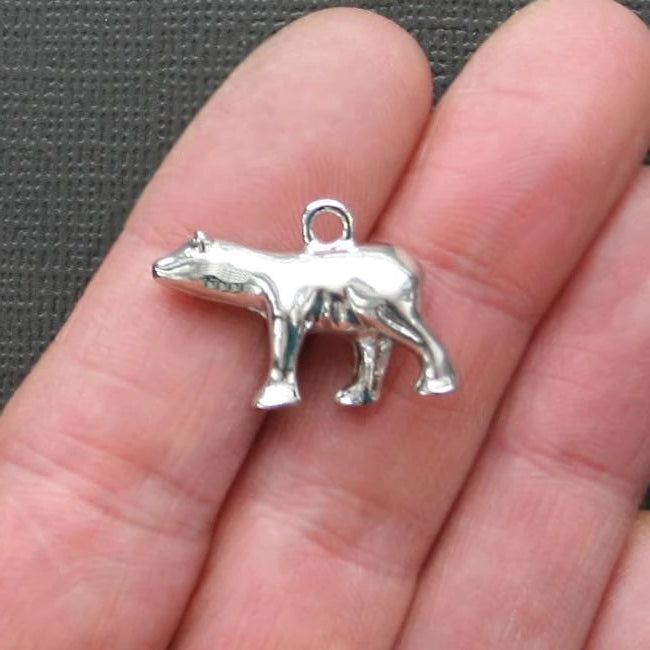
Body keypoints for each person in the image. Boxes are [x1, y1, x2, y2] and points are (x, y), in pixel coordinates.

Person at [1, 0, 649, 647]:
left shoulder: (284, 282)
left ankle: (429, 364)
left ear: (214, 263)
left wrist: (282, 374)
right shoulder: (266, 280)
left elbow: (289, 328)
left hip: (364, 280)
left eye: (188, 264)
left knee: (391, 326)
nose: (175, 270)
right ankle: (368, 383)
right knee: (370, 341)